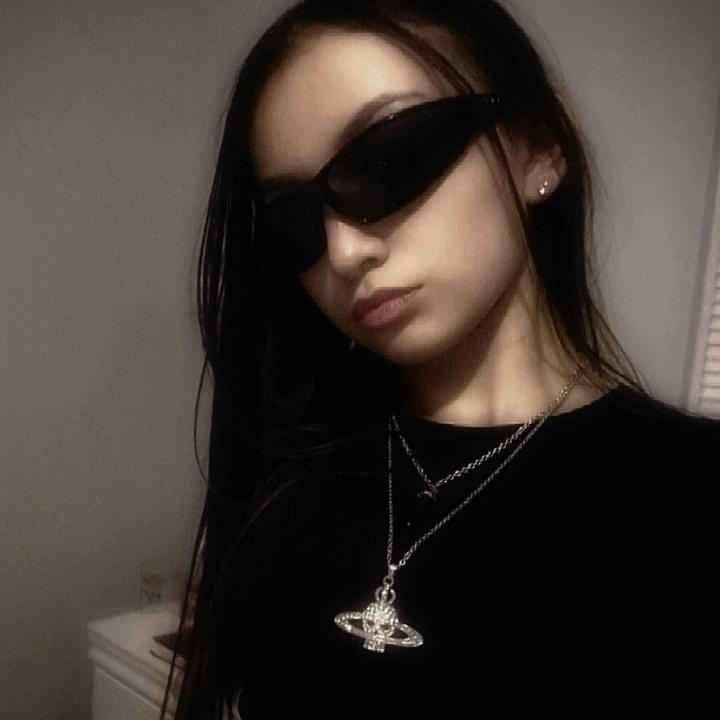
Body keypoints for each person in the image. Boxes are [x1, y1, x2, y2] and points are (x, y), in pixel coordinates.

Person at [160, 1, 719, 718]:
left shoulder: (696, 499)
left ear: (539, 148)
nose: (344, 251)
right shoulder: (288, 484)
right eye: (295, 215)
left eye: (386, 159)